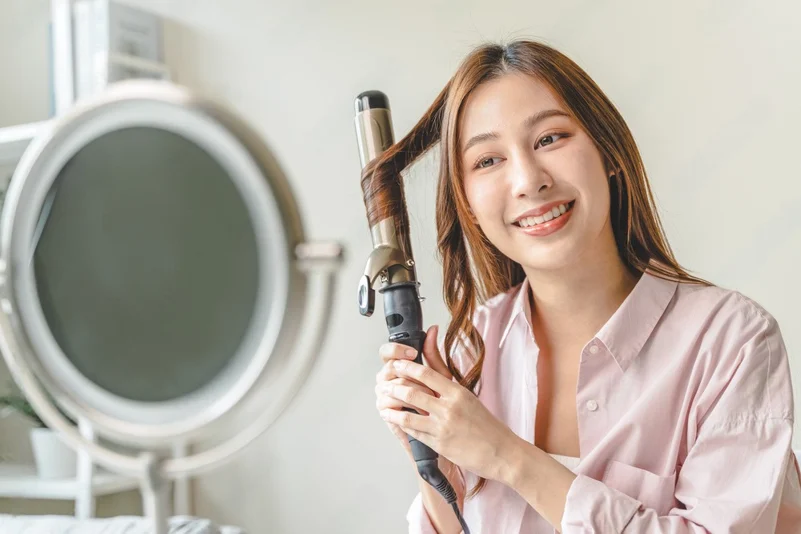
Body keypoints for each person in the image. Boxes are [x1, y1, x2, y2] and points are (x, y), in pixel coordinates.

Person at [372, 39, 801, 533]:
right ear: (466, 202)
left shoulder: (732, 342)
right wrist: (436, 466)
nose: (528, 181)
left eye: (550, 139)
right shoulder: (467, 353)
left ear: (609, 152)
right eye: (488, 161)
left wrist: (507, 456)